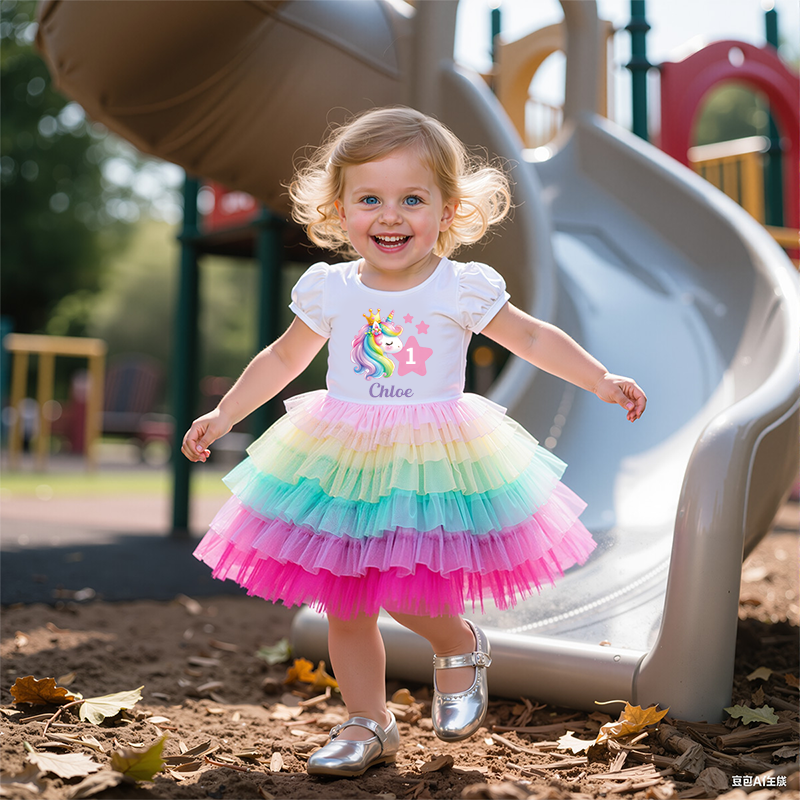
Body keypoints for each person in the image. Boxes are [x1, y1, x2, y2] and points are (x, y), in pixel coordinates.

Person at [182, 106, 646, 778]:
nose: (390, 216)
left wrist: (599, 378)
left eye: (412, 199)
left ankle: (458, 644)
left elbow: (531, 336)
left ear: (448, 211)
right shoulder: (330, 289)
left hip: (427, 459)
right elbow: (283, 358)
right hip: (343, 455)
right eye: (370, 199)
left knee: (405, 589)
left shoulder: (460, 287)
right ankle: (366, 720)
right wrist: (226, 413)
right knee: (346, 600)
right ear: (340, 210)